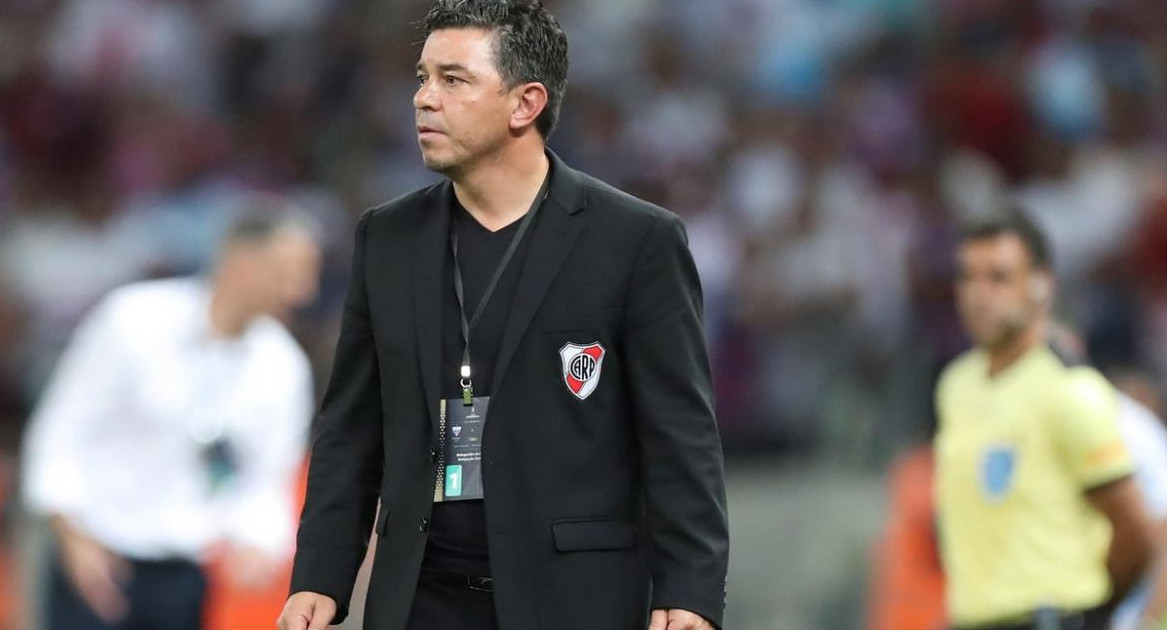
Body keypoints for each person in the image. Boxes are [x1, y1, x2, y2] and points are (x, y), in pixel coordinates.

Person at [278, 2, 730, 630]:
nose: (423, 99)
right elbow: (351, 429)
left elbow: (680, 434)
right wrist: (321, 575)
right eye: (422, 76)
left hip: (574, 602)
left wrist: (691, 591)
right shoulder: (387, 238)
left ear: (526, 103)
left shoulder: (634, 241)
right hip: (420, 601)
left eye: (453, 79)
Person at [22, 201, 321, 630]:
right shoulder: (133, 320)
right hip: (95, 556)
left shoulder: (282, 366)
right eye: (290, 270)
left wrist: (258, 543)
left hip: (185, 575)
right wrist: (71, 536)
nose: (302, 290)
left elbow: (267, 478)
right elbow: (62, 428)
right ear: (239, 260)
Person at [934, 212, 1157, 630]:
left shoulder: (1069, 390)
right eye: (967, 277)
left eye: (998, 278)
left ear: (1041, 284)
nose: (979, 294)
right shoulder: (956, 385)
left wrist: (1087, 615)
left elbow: (1134, 534)